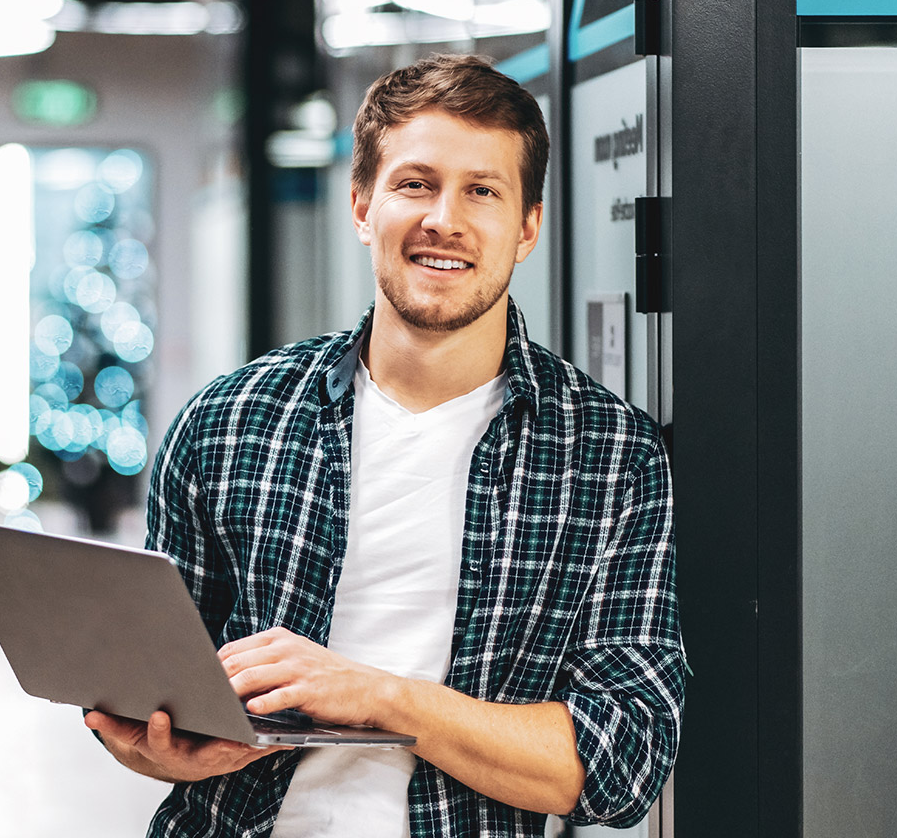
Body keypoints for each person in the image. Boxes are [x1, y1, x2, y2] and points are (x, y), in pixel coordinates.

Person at [85, 53, 684, 837]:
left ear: (529, 225)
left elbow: (624, 760)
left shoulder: (610, 455)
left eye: (483, 190)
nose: (445, 218)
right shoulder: (228, 422)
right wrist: (157, 750)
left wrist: (380, 696)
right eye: (415, 183)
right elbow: (151, 688)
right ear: (363, 205)